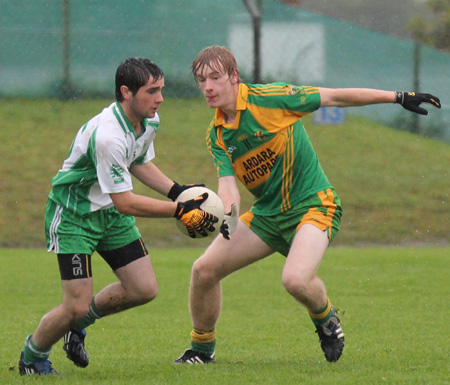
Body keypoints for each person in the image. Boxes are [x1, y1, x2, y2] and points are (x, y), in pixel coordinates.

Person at [174, 45, 441, 364]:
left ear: (234, 76)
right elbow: (228, 186)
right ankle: (202, 351)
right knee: (203, 270)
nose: (207, 87)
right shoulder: (217, 134)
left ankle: (325, 318)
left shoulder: (271, 98)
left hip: (314, 205)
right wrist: (227, 216)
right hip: (267, 215)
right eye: (202, 80)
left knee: (296, 280)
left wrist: (396, 97)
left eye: (215, 78)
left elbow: (334, 97)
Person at [18, 57, 218, 375]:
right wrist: (180, 210)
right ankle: (32, 357)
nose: (160, 99)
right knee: (75, 304)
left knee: (143, 289)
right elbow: (126, 202)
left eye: (161, 90)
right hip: (74, 216)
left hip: (109, 214)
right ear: (126, 92)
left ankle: (77, 326)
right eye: (152, 91)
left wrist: (178, 192)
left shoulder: (148, 120)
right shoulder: (108, 136)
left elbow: (137, 161)